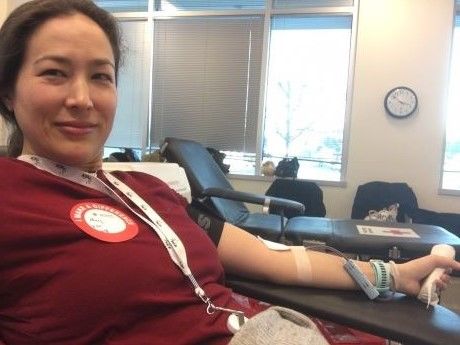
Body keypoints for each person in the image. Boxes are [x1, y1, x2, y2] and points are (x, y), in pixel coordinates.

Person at [0, 1, 458, 344]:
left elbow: (278, 259)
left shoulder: (148, 193)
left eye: (101, 76)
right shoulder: (10, 197)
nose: (83, 98)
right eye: (55, 73)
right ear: (8, 93)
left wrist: (396, 275)